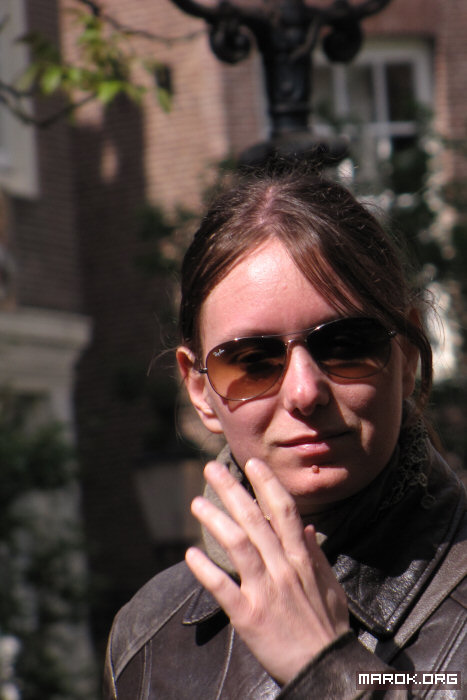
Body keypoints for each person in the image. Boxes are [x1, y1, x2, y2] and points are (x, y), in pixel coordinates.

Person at [104, 168, 466, 699]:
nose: (304, 391)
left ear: (406, 358)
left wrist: (328, 670)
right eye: (252, 361)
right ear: (200, 389)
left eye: (345, 345)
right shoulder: (147, 639)